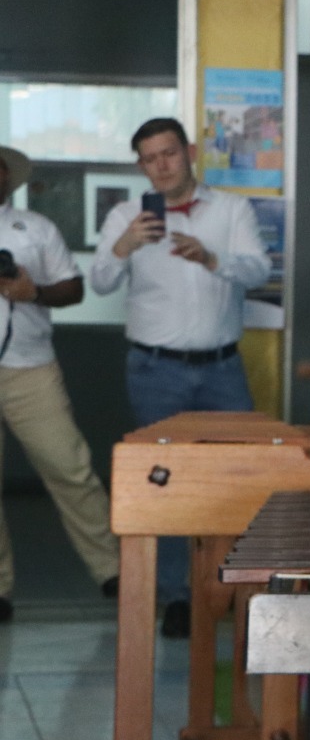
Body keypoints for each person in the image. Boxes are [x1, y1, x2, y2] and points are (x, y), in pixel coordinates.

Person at [90, 117, 270, 637]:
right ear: (140, 165)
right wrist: (123, 245)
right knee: (166, 481)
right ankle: (178, 596)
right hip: (155, 370)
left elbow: (259, 269)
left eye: (168, 153)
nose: (161, 166)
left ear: (190, 152)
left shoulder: (231, 209)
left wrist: (213, 258)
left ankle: (237, 588)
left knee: (240, 477)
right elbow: (99, 282)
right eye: (149, 159)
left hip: (222, 369)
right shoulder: (127, 215)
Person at [0, 146, 119, 624]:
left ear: (8, 176)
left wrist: (33, 293)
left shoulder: (37, 227)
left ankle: (114, 571)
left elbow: (73, 288)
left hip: (31, 369)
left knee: (71, 469)